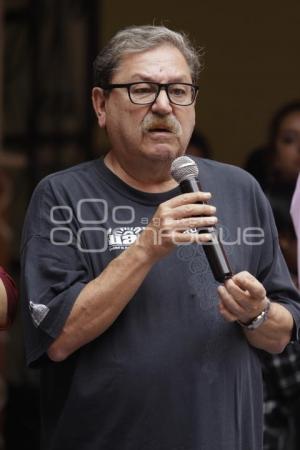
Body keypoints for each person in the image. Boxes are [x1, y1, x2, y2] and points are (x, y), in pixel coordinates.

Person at [21, 25, 300, 450]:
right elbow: (58, 340)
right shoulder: (62, 196)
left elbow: (281, 333)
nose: (164, 106)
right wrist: (146, 248)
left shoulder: (240, 188)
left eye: (179, 90)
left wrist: (255, 313)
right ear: (101, 105)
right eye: (142, 89)